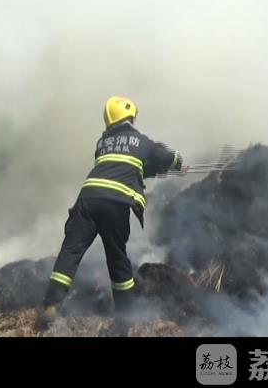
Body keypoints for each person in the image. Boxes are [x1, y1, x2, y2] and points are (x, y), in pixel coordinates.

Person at [35, 96, 183, 332]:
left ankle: (50, 305)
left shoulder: (102, 143)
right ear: (130, 117)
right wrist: (178, 164)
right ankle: (125, 315)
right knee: (116, 258)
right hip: (115, 203)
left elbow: (120, 167)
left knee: (70, 251)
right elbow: (166, 156)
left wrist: (151, 170)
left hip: (87, 200)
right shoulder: (141, 140)